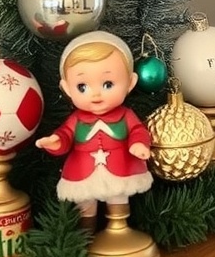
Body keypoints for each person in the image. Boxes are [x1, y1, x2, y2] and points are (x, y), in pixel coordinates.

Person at [36, 31, 153, 229]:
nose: (96, 94)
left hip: (120, 166)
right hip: (82, 170)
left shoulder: (125, 115)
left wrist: (139, 144)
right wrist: (55, 142)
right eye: (82, 87)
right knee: (85, 204)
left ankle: (119, 227)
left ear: (130, 83)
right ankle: (86, 233)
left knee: (118, 197)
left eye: (108, 84)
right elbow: (65, 135)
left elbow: (137, 130)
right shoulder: (76, 119)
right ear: (66, 88)